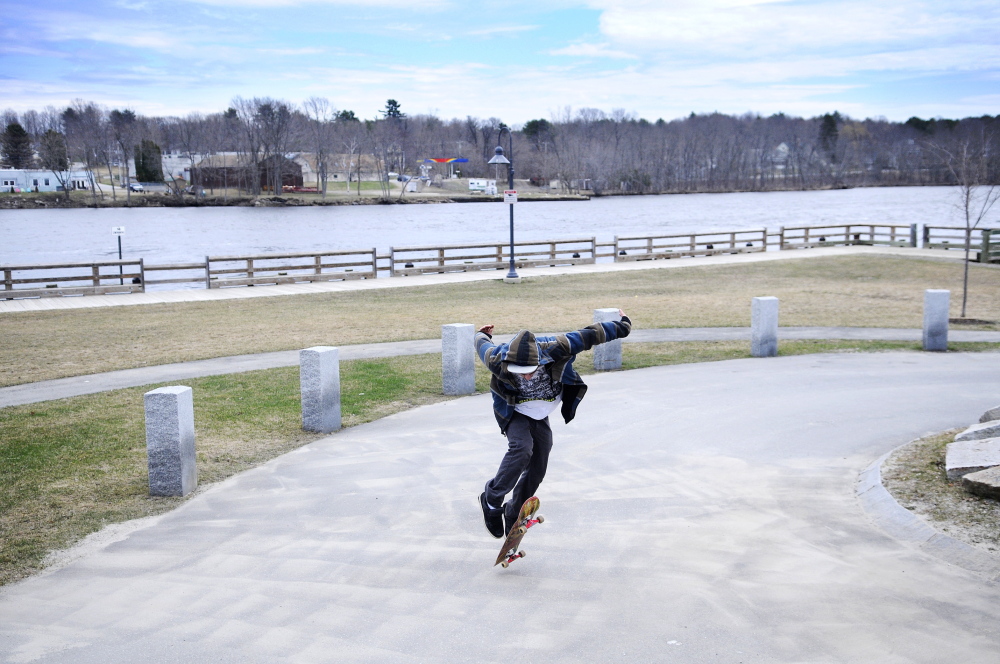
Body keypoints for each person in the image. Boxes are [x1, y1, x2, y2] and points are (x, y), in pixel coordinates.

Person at [475, 310, 632, 538]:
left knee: (538, 468)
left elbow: (592, 334)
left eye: (529, 372)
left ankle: (514, 511)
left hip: (541, 414)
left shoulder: (558, 347)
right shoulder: (497, 358)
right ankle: (491, 499)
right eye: (520, 373)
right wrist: (482, 334)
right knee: (521, 448)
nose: (526, 377)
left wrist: (624, 326)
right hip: (515, 411)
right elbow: (481, 345)